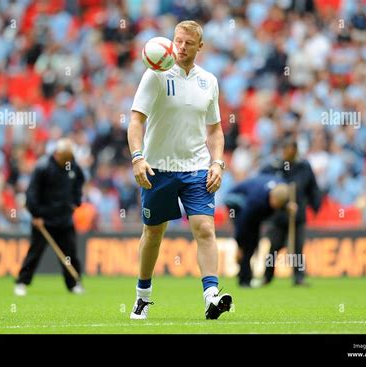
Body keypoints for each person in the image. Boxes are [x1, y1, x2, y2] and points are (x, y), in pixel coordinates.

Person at [127, 20, 232, 320]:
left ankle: (211, 297)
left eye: (188, 43)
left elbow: (214, 130)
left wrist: (217, 162)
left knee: (205, 228)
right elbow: (136, 120)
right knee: (154, 233)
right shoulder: (156, 74)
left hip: (196, 168)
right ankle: (142, 296)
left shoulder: (209, 81)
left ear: (200, 46)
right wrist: (137, 157)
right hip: (158, 168)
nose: (181, 47)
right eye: (178, 41)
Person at [14, 138, 85, 296]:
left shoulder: (73, 167)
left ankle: (74, 283)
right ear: (57, 154)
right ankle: (21, 282)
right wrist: (36, 214)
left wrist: (76, 202)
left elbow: (79, 185)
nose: (69, 160)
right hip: (43, 220)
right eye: (66, 157)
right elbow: (31, 194)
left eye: (70, 157)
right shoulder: (43, 167)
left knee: (69, 254)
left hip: (64, 219)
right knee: (35, 253)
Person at [260, 136, 322, 286]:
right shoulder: (275, 167)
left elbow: (313, 188)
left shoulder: (304, 167)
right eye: (285, 149)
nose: (287, 153)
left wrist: (315, 205)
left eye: (290, 150)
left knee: (297, 247)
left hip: (298, 215)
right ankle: (267, 277)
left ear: (295, 151)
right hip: (279, 216)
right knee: (274, 246)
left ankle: (298, 277)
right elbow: (264, 181)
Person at [225, 174, 297, 287]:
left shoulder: (283, 186)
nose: (276, 207)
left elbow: (280, 202)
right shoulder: (255, 201)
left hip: (252, 202)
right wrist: (239, 245)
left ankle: (245, 274)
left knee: (253, 240)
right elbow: (242, 224)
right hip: (235, 201)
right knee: (249, 244)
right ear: (272, 197)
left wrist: (287, 207)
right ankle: (244, 279)